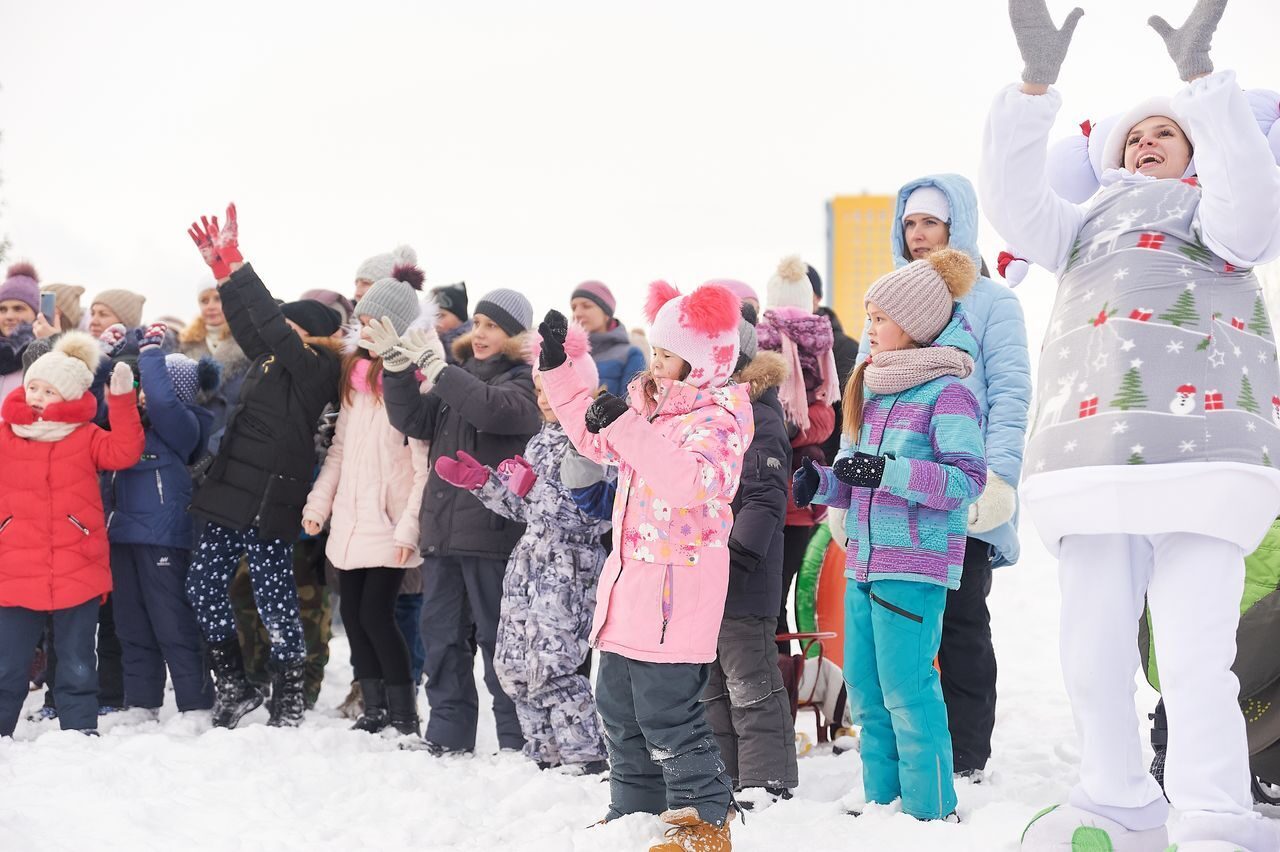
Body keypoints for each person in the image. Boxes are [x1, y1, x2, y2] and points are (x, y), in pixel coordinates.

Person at [982, 3, 1280, 849]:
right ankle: (1115, 796)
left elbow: (1254, 208)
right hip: (1093, 456)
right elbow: (1014, 203)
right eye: (1134, 137)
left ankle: (1215, 811)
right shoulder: (1078, 225)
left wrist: (1205, 85)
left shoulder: (1216, 215)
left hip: (1206, 457)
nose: (1146, 144)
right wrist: (1033, 87)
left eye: (1167, 134)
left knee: (1193, 652)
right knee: (1093, 650)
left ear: (1199, 150)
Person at [538, 279, 753, 849]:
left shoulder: (720, 421)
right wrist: (560, 370)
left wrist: (627, 426)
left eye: (667, 355)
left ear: (704, 361)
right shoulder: (651, 410)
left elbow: (688, 483)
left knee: (668, 712)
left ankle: (704, 818)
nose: (656, 365)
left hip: (677, 594)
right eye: (654, 352)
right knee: (617, 706)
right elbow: (593, 439)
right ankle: (633, 808)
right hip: (631, 586)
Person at [796, 248, 986, 821]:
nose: (870, 328)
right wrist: (824, 482)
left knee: (908, 692)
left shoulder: (947, 392)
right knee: (869, 695)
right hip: (865, 560)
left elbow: (966, 480)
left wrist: (887, 472)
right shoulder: (871, 390)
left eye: (879, 317)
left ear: (916, 324)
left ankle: (930, 810)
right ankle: (882, 803)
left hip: (914, 564)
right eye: (869, 315)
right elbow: (856, 479)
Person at [855, 174, 1032, 780]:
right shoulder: (888, 304)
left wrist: (999, 481)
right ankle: (907, 756)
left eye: (931, 221)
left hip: (961, 485)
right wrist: (848, 484)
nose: (919, 234)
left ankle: (965, 753)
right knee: (892, 633)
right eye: (909, 223)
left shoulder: (993, 301)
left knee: (960, 621)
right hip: (890, 499)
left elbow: (1009, 394)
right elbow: (863, 395)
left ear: (959, 224)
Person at [184, 204, 342, 729]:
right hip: (230, 491)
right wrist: (222, 276)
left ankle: (290, 694)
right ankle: (234, 684)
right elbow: (256, 326)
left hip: (272, 499)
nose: (278, 332)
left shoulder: (315, 369)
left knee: (276, 599)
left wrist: (238, 262)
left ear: (312, 334)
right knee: (202, 588)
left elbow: (271, 326)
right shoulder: (272, 360)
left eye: (290, 325)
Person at [432, 322, 610, 773]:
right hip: (529, 563)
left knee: (553, 666)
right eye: (538, 388)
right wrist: (485, 483)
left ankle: (584, 756)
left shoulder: (594, 442)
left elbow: (590, 515)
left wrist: (533, 489)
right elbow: (523, 508)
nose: (543, 398)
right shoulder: (541, 437)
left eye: (551, 388)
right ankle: (543, 753)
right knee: (514, 666)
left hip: (569, 567)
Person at [377, 287, 540, 755]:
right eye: (478, 324)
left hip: (492, 535)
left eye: (492, 326)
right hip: (444, 534)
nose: (480, 333)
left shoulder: (522, 381)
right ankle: (447, 735)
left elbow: (493, 409)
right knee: (442, 638)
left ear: (513, 334)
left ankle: (515, 739)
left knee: (498, 641)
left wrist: (440, 370)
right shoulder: (460, 376)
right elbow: (413, 419)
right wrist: (397, 369)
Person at [302, 267, 431, 736]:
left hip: (390, 522)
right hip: (350, 521)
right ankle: (373, 704)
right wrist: (319, 506)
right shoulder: (353, 383)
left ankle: (403, 710)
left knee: (379, 614)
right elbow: (336, 453)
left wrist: (408, 528)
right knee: (354, 617)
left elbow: (422, 468)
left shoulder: (410, 386)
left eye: (377, 321)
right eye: (363, 318)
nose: (365, 327)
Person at [0, 333, 143, 736]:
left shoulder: (85, 435)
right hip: (16, 564)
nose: (38, 397)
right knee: (8, 661)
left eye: (49, 390)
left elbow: (125, 451)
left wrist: (122, 403)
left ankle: (79, 730)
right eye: (33, 387)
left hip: (76, 563)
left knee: (79, 657)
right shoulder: (6, 435)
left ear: (68, 395)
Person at [701, 304, 798, 807]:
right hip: (706, 575)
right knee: (713, 684)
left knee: (751, 680)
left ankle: (767, 779)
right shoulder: (703, 412)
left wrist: (736, 556)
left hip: (743, 575)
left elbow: (764, 494)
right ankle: (728, 773)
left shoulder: (756, 413)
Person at [103, 323, 219, 716]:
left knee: (173, 623)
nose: (143, 394)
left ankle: (195, 703)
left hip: (164, 538)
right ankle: (141, 703)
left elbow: (164, 404)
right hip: (123, 536)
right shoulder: (131, 426)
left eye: (151, 386)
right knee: (131, 624)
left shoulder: (183, 427)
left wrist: (151, 352)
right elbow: (102, 401)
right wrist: (112, 355)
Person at [756, 255, 840, 652]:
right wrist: (800, 426)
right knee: (776, 606)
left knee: (761, 608)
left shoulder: (757, 346)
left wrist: (782, 427)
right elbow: (827, 415)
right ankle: (783, 700)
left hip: (764, 492)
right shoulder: (821, 349)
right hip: (802, 497)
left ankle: (774, 700)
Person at [569, 281, 647, 397]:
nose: (577, 313)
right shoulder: (568, 355)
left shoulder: (630, 354)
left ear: (606, 313)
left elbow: (632, 406)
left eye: (586, 306)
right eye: (574, 308)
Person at [0, 263, 41, 410]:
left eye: (18, 308)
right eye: (2, 309)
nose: (9, 316)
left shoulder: (44, 356)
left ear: (36, 313)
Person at [431, 282, 471, 365]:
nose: (434, 322)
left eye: (440, 315)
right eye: (432, 316)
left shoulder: (475, 349)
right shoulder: (429, 345)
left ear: (459, 317)